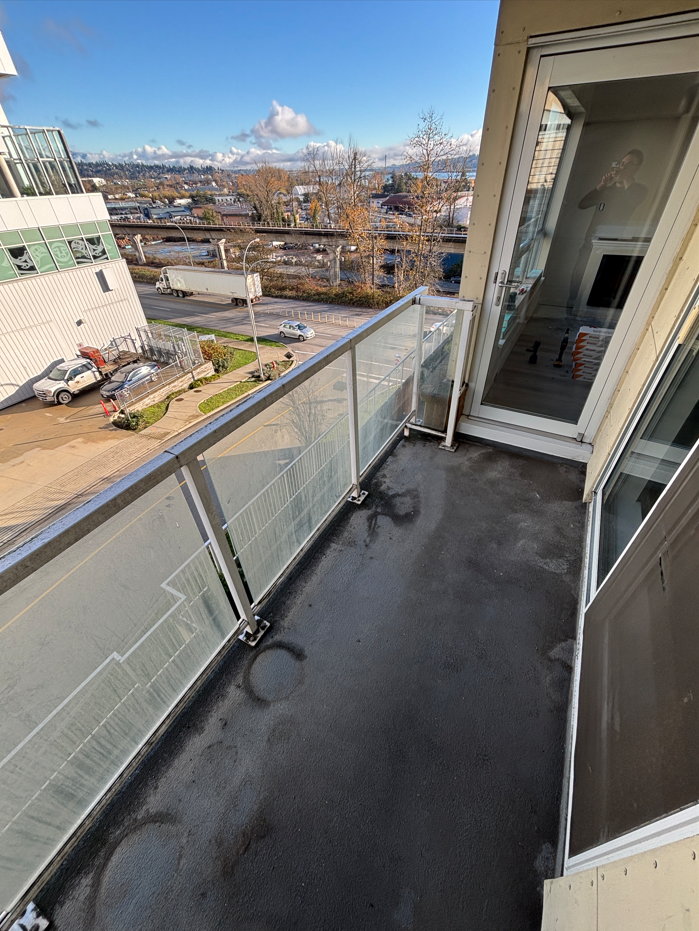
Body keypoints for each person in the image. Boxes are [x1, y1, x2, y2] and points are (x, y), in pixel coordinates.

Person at [568, 149, 648, 309]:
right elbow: (582, 204)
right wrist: (602, 185)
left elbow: (633, 202)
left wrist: (626, 178)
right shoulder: (608, 190)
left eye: (627, 165)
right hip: (590, 243)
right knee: (577, 280)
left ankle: (589, 317)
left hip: (612, 246)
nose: (622, 167)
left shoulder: (639, 189)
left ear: (637, 168)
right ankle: (569, 311)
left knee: (600, 286)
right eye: (621, 163)